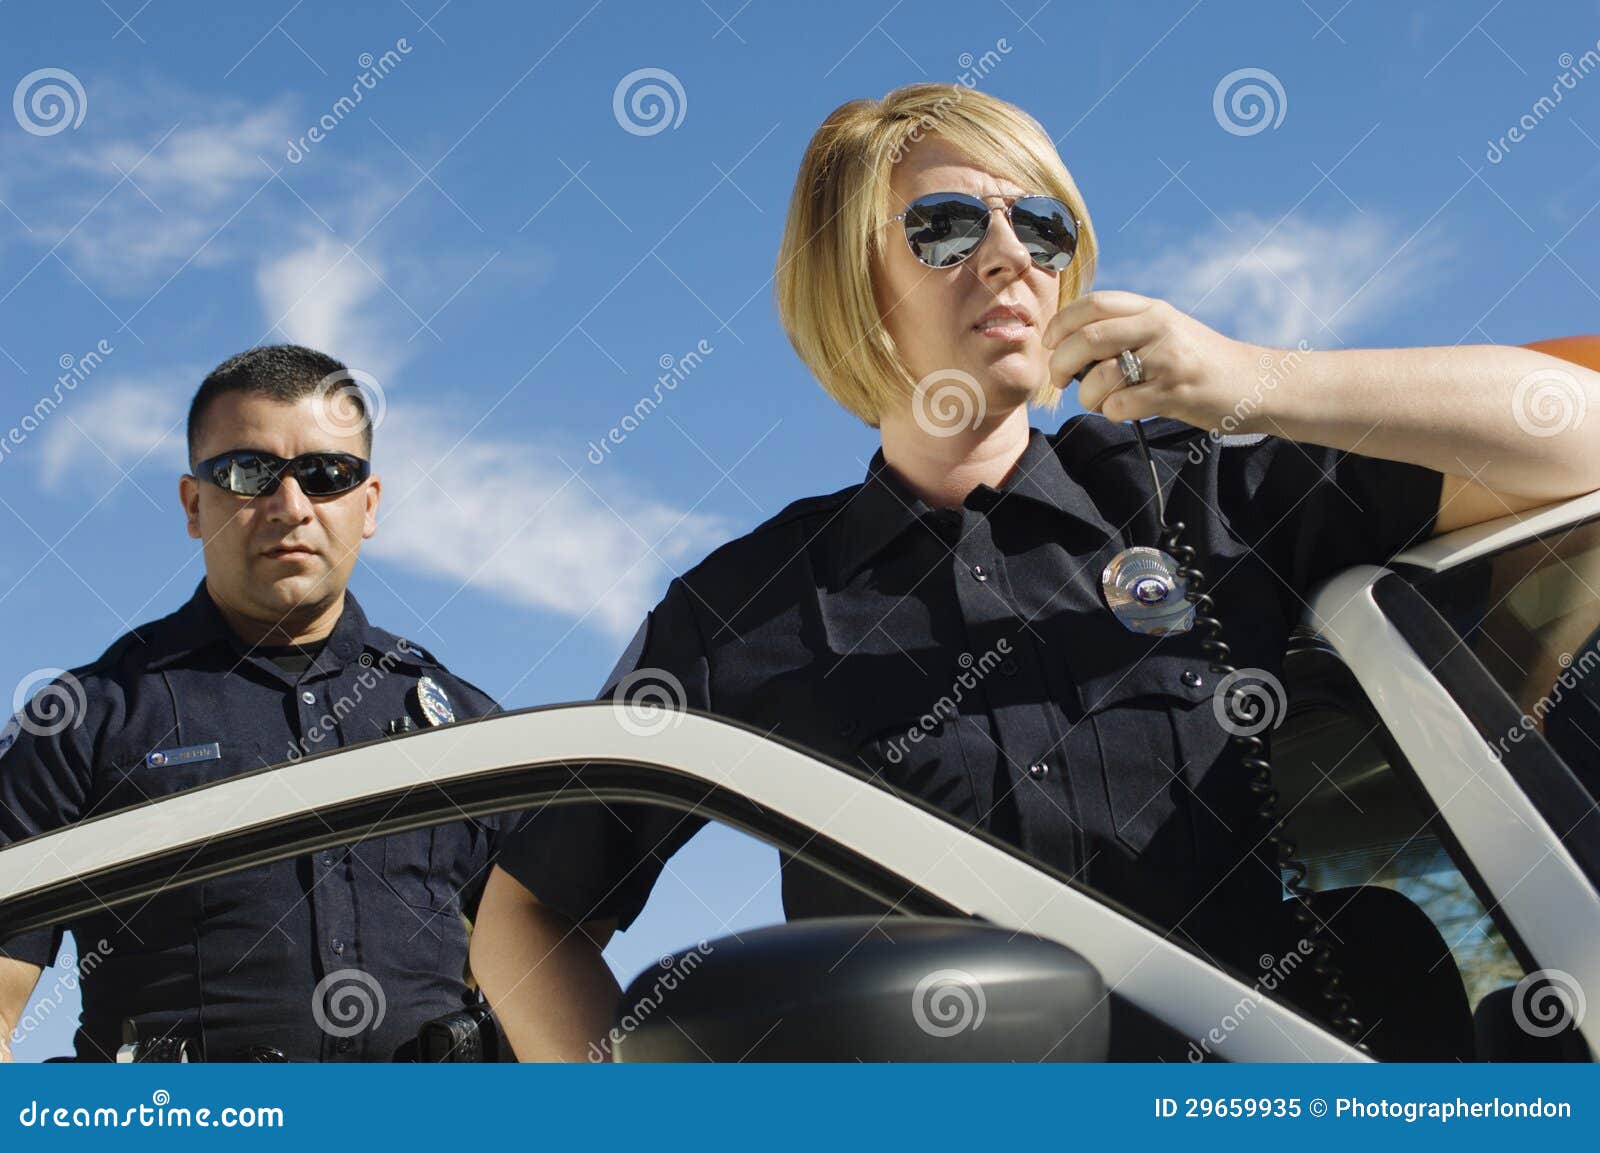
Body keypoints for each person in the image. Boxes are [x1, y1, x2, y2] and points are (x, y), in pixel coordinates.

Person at [467, 83, 1600, 1061]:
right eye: (949, 225)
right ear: (852, 280)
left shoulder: (1195, 492)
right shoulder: (737, 608)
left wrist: (1254, 375)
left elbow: (1579, 433)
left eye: (1041, 227)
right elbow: (524, 918)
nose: (1009, 255)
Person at [0, 345, 522, 1062]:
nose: (290, 506)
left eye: (327, 474)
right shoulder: (84, 722)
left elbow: (550, 958)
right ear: (194, 504)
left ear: (367, 505)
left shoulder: (466, 728)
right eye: (248, 473)